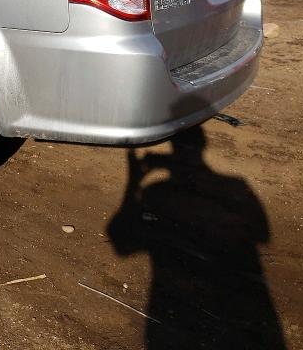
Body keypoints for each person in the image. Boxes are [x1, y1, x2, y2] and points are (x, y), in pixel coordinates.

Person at [107, 127, 286, 349]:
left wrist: (134, 182)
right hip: (232, 305)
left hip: (178, 311)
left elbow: (121, 242)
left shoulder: (157, 193)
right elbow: (262, 234)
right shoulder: (235, 188)